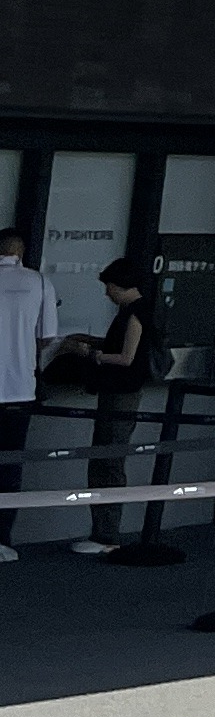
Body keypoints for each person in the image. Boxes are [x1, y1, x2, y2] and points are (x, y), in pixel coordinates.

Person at [58, 260, 172, 560]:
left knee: (108, 459)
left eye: (109, 286)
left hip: (120, 394)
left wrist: (90, 353)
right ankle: (104, 532)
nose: (107, 293)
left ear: (120, 284)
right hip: (123, 392)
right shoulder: (142, 310)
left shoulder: (135, 313)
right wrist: (90, 341)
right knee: (107, 458)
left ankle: (106, 534)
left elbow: (126, 357)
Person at [0, 223, 56, 566]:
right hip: (19, 388)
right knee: (9, 467)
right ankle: (2, 539)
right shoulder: (39, 282)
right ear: (20, 253)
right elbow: (47, 336)